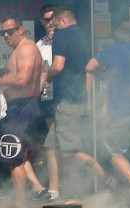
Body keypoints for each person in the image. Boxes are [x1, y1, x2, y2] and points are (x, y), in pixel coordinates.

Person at [86, 21, 130, 206]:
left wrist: (105, 72)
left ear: (120, 37)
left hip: (120, 112)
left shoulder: (112, 51)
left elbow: (90, 67)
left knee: (114, 150)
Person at [45, 8, 112, 198]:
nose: (53, 26)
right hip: (78, 99)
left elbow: (57, 66)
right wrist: (88, 101)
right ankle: (56, 190)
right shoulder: (83, 37)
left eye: (55, 22)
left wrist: (43, 72)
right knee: (51, 146)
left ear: (64, 20)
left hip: (67, 101)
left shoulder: (62, 36)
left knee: (70, 151)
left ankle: (106, 178)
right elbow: (88, 72)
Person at [0, 15, 49, 208]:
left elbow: (23, 78)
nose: (6, 35)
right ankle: (36, 191)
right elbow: (44, 70)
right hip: (19, 107)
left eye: (9, 31)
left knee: (13, 158)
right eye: (2, 32)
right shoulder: (23, 49)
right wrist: (35, 92)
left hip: (22, 109)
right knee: (15, 155)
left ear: (21, 30)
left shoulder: (27, 48)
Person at [35, 3, 60, 201]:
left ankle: (55, 187)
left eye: (53, 18)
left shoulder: (66, 39)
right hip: (45, 98)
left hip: (64, 98)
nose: (50, 22)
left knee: (56, 145)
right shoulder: (40, 46)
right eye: (46, 19)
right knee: (50, 143)